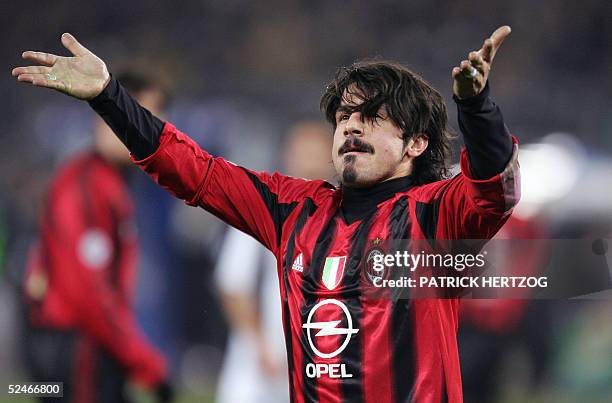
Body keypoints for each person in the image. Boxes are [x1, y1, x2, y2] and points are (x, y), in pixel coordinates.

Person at [13, 25, 519, 403]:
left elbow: (494, 190)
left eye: (372, 118)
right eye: (344, 117)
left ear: (416, 144)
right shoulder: (293, 208)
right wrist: (109, 97)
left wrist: (476, 110)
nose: (350, 129)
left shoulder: (435, 214)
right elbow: (193, 170)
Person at [21, 72, 173, 403]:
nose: (152, 132)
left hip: (78, 346)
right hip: (76, 350)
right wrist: (146, 364)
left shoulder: (104, 181)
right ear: (109, 117)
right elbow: (89, 294)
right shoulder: (89, 186)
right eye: (142, 119)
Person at [214, 122, 334, 403]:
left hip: (319, 366)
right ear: (288, 155)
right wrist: (259, 346)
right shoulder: (261, 208)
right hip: (259, 366)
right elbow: (233, 285)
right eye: (303, 153)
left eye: (317, 154)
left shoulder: (343, 218)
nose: (310, 164)